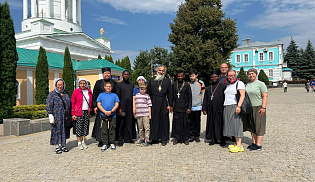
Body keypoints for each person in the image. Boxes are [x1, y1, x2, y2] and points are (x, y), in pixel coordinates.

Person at [147, 65, 173, 146]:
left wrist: (170, 105)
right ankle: (154, 138)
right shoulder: (152, 80)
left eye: (163, 71)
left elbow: (170, 93)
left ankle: (164, 138)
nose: (161, 72)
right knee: (154, 120)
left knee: (164, 120)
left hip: (163, 101)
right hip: (153, 101)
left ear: (165, 72)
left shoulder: (167, 81)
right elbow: (148, 93)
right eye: (160, 70)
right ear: (157, 71)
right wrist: (148, 105)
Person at [92, 67, 118, 147]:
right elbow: (95, 95)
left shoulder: (115, 83)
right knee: (101, 125)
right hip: (101, 108)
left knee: (112, 126)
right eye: (105, 73)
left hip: (112, 109)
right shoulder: (98, 82)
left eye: (108, 73)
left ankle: (111, 141)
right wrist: (95, 106)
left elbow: (117, 95)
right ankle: (101, 140)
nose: (107, 75)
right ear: (103, 74)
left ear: (110, 74)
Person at [244, 68, 268, 151]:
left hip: (258, 106)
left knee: (259, 125)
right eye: (249, 74)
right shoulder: (247, 84)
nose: (251, 75)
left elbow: (265, 96)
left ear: (256, 74)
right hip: (249, 107)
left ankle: (259, 144)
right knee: (252, 125)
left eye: (253, 73)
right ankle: (254, 142)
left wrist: (263, 107)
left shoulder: (260, 84)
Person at [46, 78, 71, 154]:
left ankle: (63, 145)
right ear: (56, 85)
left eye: (61, 84)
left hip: (65, 115)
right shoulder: (52, 94)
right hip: (56, 115)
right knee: (56, 130)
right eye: (59, 85)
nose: (60, 86)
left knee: (65, 130)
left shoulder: (66, 93)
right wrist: (50, 116)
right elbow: (49, 105)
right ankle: (57, 146)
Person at [223, 70, 245, 153]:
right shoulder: (228, 85)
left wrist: (238, 106)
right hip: (227, 106)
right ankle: (236, 142)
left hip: (235, 105)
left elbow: (242, 95)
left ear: (235, 75)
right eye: (229, 76)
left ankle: (239, 145)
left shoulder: (239, 83)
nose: (231, 77)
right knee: (231, 124)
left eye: (233, 75)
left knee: (237, 124)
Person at [202, 70, 226, 146]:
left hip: (220, 108)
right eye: (212, 77)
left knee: (221, 124)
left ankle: (222, 139)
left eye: (215, 76)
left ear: (218, 77)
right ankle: (213, 139)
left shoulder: (223, 86)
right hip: (211, 109)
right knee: (211, 123)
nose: (214, 78)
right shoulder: (208, 88)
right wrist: (204, 109)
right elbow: (205, 99)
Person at [97, 81, 120, 151]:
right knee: (104, 130)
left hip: (112, 115)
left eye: (109, 86)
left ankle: (112, 142)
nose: (108, 88)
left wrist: (111, 111)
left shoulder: (114, 95)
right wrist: (104, 111)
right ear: (104, 87)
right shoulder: (101, 95)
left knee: (112, 129)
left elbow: (117, 104)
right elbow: (99, 104)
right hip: (103, 115)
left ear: (112, 87)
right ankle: (105, 143)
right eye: (107, 86)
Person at [171, 70, 192, 145]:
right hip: (176, 107)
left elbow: (190, 97)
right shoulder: (174, 84)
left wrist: (189, 107)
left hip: (185, 107)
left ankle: (185, 138)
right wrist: (171, 105)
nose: (180, 77)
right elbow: (172, 96)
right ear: (177, 76)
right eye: (178, 76)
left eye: (181, 76)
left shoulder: (186, 85)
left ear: (184, 76)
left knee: (185, 123)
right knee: (177, 123)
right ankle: (177, 138)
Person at [71, 78, 92, 150]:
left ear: (86, 84)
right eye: (81, 83)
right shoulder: (76, 92)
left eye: (84, 83)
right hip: (78, 111)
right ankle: (79, 142)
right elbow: (73, 103)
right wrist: (73, 113)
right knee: (79, 127)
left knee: (85, 127)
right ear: (79, 84)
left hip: (87, 111)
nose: (82, 85)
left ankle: (83, 141)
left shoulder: (89, 91)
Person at [116, 70, 136, 146]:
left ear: (129, 76)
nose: (126, 75)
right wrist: (119, 108)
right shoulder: (119, 85)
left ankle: (129, 138)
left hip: (130, 106)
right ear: (122, 75)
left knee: (129, 122)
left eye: (127, 74)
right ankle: (120, 139)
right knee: (121, 123)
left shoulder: (131, 85)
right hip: (122, 106)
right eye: (125, 74)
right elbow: (117, 97)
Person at [188, 69, 205, 143]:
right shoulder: (188, 84)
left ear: (196, 75)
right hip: (191, 106)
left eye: (193, 76)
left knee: (197, 121)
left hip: (198, 105)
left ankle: (197, 135)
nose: (192, 77)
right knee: (191, 122)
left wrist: (202, 104)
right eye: (190, 76)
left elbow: (203, 94)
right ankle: (192, 135)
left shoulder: (201, 83)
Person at [133, 76, 147, 144]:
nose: (141, 81)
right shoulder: (135, 89)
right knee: (139, 125)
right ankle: (140, 137)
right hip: (138, 109)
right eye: (139, 80)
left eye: (142, 80)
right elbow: (134, 99)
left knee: (146, 124)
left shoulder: (146, 89)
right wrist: (134, 108)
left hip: (145, 110)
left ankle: (146, 138)